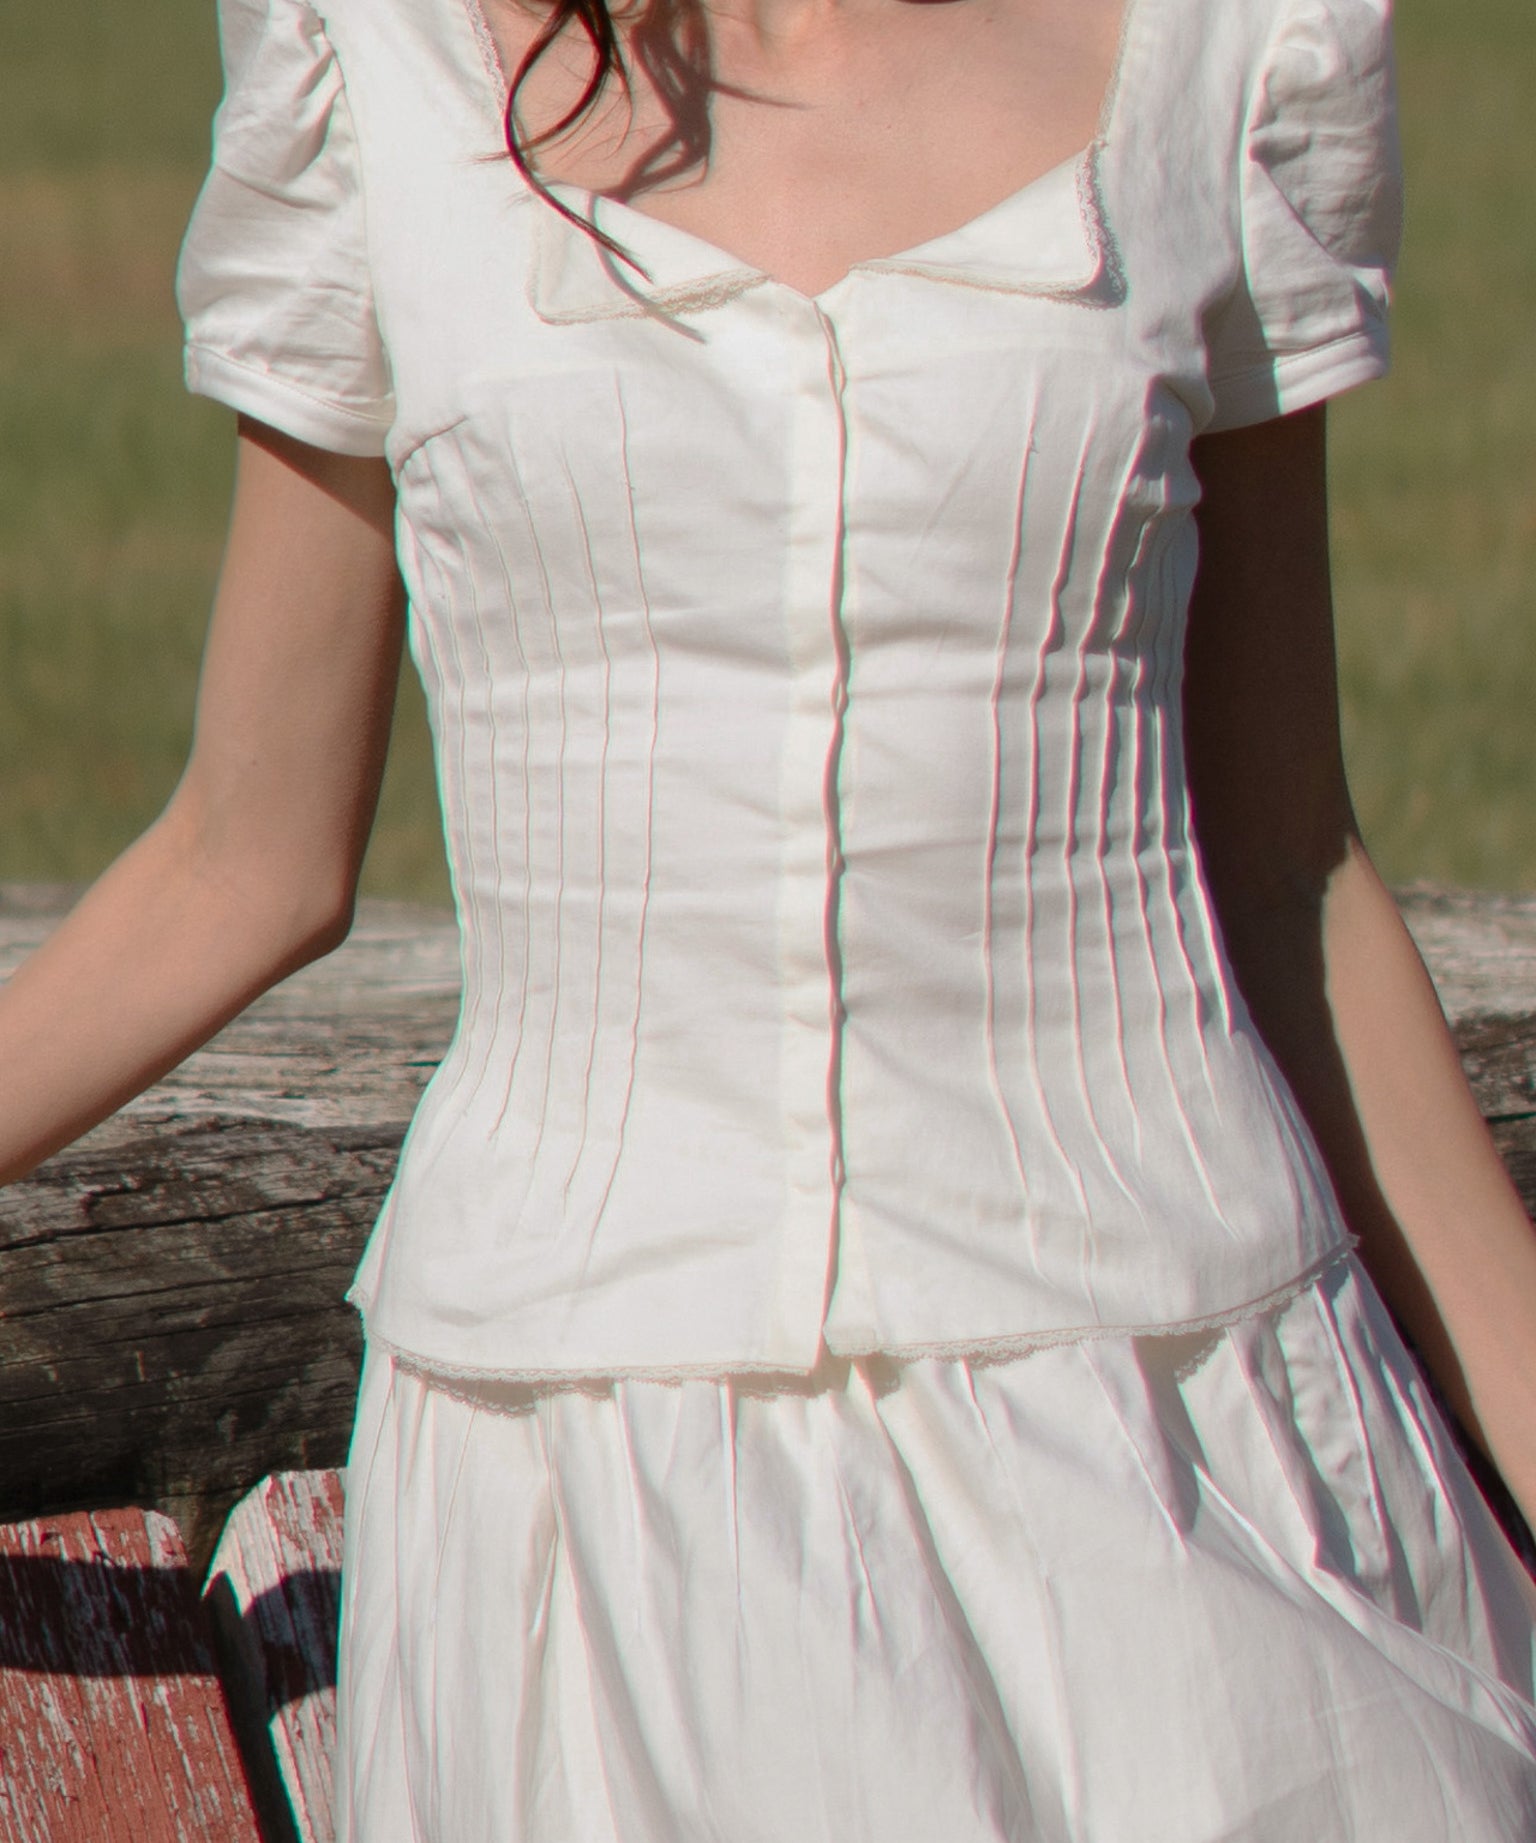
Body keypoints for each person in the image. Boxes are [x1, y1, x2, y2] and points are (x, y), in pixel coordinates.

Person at [5, 0, 1536, 1834]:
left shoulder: (1223, 51)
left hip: (1196, 1452)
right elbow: (244, 859)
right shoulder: (384, 61)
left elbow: (1291, 873)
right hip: (604, 1506)